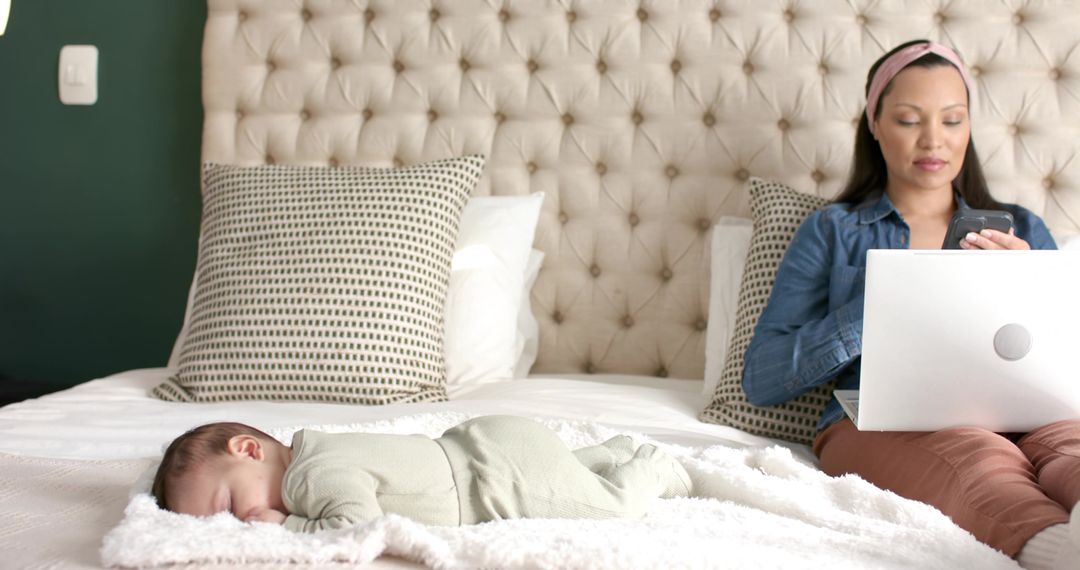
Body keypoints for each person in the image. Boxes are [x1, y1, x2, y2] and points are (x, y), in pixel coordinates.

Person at [741, 39, 1080, 570]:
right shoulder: (835, 229)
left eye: (952, 120)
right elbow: (761, 378)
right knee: (981, 456)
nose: (933, 140)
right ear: (874, 123)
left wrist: (1022, 277)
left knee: (1071, 446)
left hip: (1024, 413)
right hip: (877, 421)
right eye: (907, 119)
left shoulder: (1021, 227)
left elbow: (1065, 363)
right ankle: (1058, 552)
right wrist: (877, 308)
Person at [151, 415, 692, 532]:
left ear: (248, 450)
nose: (237, 525)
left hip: (493, 477)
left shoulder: (311, 477)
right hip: (490, 446)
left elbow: (355, 525)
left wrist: (284, 526)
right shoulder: (315, 451)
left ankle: (647, 464)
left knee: (610, 509)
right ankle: (607, 453)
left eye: (225, 508)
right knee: (566, 480)